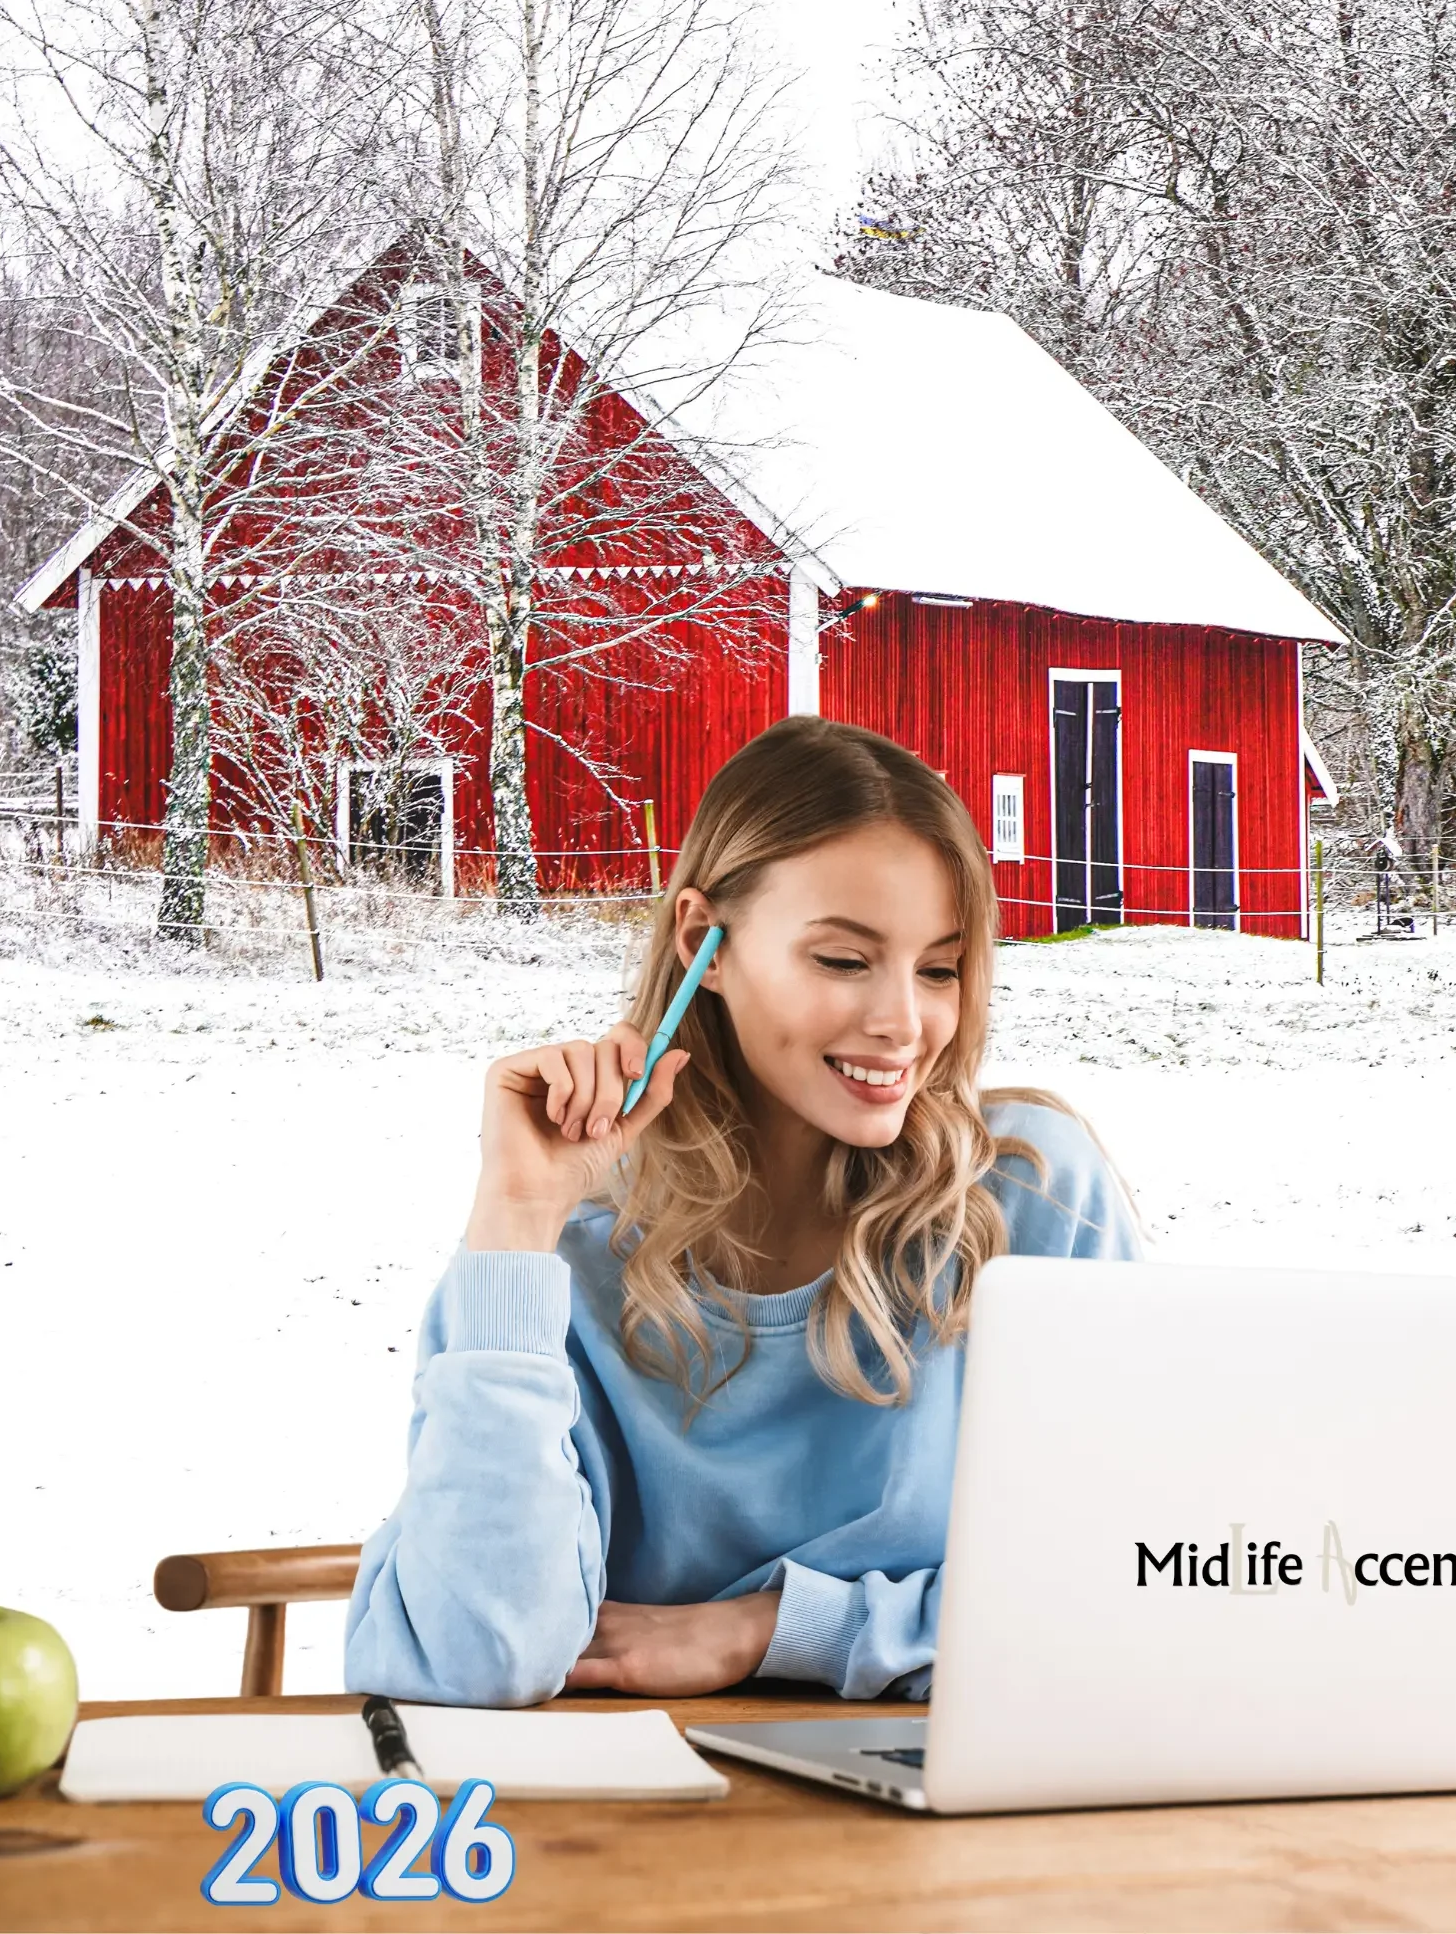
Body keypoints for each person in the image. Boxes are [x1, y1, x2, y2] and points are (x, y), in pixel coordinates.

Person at [344, 716, 1143, 1707]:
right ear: (702, 943)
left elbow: (1128, 1588)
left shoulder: (1024, 1197)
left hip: (956, 1813)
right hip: (639, 1830)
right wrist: (515, 1217)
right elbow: (474, 1658)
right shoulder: (567, 1250)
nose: (903, 1021)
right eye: (844, 960)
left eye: (938, 967)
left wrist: (768, 1630)